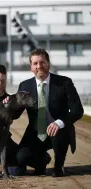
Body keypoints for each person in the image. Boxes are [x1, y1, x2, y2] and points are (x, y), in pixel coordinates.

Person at [8, 48, 84, 177]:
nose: (39, 66)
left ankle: (58, 167)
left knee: (57, 131)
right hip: (35, 131)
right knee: (21, 157)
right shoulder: (24, 86)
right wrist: (7, 104)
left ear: (48, 63)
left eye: (42, 62)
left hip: (59, 130)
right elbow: (16, 113)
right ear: (30, 67)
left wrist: (60, 123)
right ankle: (42, 161)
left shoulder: (64, 82)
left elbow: (78, 110)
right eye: (35, 63)